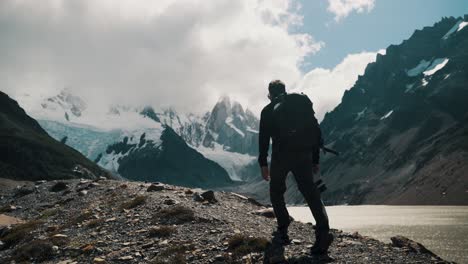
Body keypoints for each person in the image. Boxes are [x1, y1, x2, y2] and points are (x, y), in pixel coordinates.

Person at [258, 80, 333, 255]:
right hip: (304, 155)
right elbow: (315, 130)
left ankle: (283, 230)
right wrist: (315, 160)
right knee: (311, 192)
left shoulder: (268, 111)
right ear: (285, 90)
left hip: (280, 156)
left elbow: (263, 140)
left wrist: (263, 163)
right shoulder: (300, 104)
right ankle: (323, 232)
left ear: (269, 94)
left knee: (276, 190)